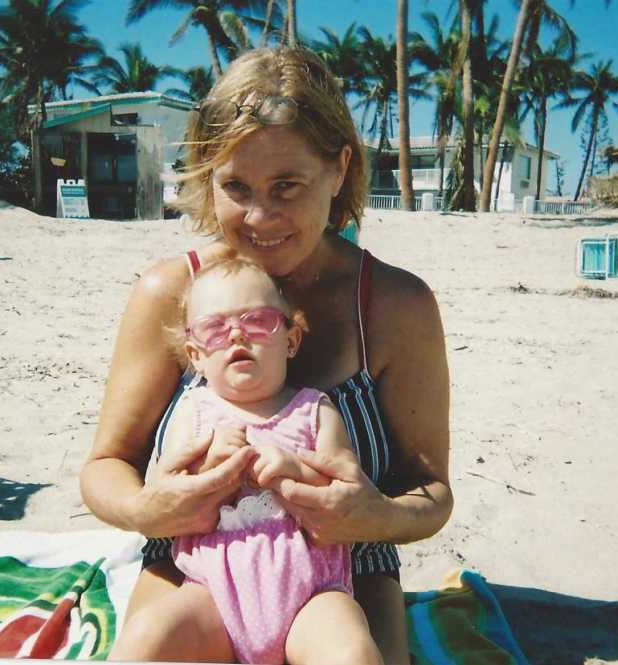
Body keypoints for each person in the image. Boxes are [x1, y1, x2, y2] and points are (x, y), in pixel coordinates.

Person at [80, 46, 452, 665]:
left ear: (338, 171)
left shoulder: (394, 306)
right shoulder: (169, 294)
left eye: (287, 186)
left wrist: (375, 516)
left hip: (346, 574)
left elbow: (431, 493)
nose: (260, 217)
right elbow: (106, 466)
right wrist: (151, 508)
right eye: (235, 187)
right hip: (194, 567)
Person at [109, 256, 382, 664]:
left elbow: (344, 489)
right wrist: (211, 466)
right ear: (195, 355)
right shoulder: (196, 411)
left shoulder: (314, 410)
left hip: (312, 594)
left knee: (352, 650)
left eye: (258, 322)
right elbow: (169, 488)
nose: (236, 335)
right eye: (214, 329)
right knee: (147, 637)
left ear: (290, 341)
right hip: (211, 593)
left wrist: (294, 468)